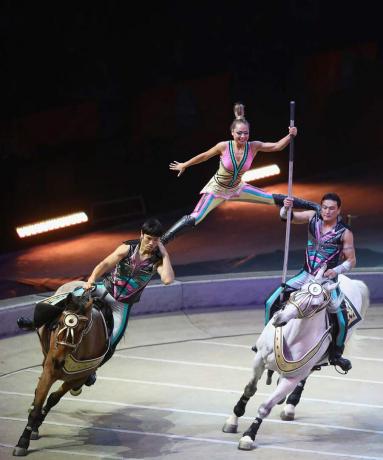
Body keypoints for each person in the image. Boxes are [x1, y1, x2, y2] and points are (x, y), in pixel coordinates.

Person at [18, 218, 175, 383]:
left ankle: (91, 370)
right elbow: (105, 263)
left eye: (155, 240)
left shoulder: (157, 259)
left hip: (122, 305)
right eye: (149, 238)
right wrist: (91, 279)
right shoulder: (128, 248)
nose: (151, 243)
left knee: (111, 343)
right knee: (67, 297)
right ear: (141, 234)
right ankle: (35, 322)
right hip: (104, 289)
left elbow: (167, 279)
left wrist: (165, 254)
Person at [161, 102, 320, 244]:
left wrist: (290, 135)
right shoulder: (223, 146)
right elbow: (204, 156)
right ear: (232, 133)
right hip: (216, 189)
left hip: (238, 188)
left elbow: (278, 146)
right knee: (195, 218)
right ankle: (162, 241)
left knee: (272, 198)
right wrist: (185, 165)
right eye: (239, 133)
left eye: (246, 133)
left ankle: (314, 206)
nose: (243, 136)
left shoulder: (254, 146)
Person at [264, 193, 356, 372]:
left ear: (339, 210)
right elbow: (288, 218)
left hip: (326, 280)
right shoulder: (313, 217)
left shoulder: (345, 232)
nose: (327, 211)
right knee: (270, 302)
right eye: (324, 207)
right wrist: (286, 207)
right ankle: (268, 338)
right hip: (305, 274)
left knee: (343, 320)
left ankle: (336, 354)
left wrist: (335, 271)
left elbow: (351, 261)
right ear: (320, 207)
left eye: (332, 208)